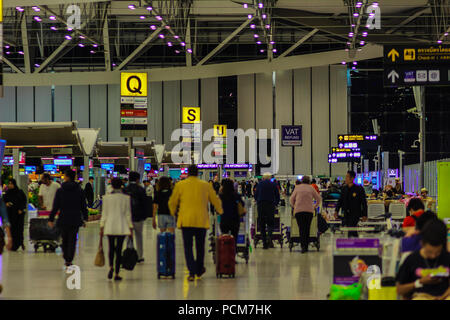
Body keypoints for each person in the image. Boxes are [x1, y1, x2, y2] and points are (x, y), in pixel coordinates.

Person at [168, 164, 223, 281]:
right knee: (200, 246)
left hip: (186, 221)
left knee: (188, 247)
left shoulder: (180, 185)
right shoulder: (205, 185)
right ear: (198, 173)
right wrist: (220, 211)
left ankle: (191, 272)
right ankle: (199, 269)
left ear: (187, 173)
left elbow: (172, 202)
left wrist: (173, 213)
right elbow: (215, 200)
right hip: (201, 221)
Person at [396, 219, 450, 300]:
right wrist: (419, 282)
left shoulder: (447, 257)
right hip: (421, 296)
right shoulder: (412, 259)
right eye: (429, 252)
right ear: (422, 243)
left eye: (438, 252)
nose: (433, 256)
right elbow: (399, 289)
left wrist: (442, 297)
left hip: (444, 296)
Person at [48, 169, 88, 268]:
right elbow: (83, 206)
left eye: (64, 175)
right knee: (72, 239)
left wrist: (51, 218)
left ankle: (66, 257)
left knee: (65, 239)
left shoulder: (60, 190)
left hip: (63, 218)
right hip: (75, 218)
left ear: (67, 177)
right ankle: (69, 258)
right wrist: (85, 218)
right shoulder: (79, 190)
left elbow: (56, 206)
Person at [100, 178, 133, 281]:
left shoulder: (106, 198)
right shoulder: (126, 198)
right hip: (121, 226)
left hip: (110, 226)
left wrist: (102, 227)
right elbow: (128, 214)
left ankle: (110, 267)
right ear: (121, 185)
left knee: (111, 248)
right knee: (119, 250)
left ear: (112, 186)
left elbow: (104, 214)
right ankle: (117, 273)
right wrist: (130, 228)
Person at [290, 175, 322, 253]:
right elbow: (319, 198)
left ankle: (303, 247)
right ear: (309, 181)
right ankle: (306, 246)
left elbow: (291, 199)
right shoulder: (311, 188)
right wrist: (314, 206)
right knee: (307, 228)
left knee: (301, 228)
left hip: (299, 211)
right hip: (309, 211)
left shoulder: (297, 188)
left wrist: (294, 206)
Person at [122, 171, 149, 264]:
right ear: (138, 179)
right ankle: (140, 256)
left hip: (127, 218)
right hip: (138, 217)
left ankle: (129, 254)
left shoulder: (125, 189)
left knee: (129, 237)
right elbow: (145, 204)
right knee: (139, 236)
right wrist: (144, 215)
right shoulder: (140, 189)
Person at [335, 171, 368, 237]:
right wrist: (336, 210)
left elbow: (363, 202)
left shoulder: (359, 189)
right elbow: (340, 200)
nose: (345, 178)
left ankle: (351, 244)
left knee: (351, 229)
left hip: (355, 213)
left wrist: (365, 214)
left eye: (347, 176)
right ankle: (356, 243)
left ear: (352, 178)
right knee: (352, 230)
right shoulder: (344, 188)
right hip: (346, 213)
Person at [219, 179, 244, 253]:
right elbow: (242, 204)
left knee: (224, 238)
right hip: (235, 221)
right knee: (234, 239)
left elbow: (216, 207)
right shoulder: (236, 195)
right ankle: (232, 256)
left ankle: (225, 256)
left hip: (224, 220)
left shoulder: (221, 196)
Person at [255, 172, 280, 249]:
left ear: (263, 178)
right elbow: (277, 195)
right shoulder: (273, 184)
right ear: (270, 178)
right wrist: (276, 203)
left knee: (262, 223)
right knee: (270, 222)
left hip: (261, 204)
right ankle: (269, 236)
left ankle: (264, 243)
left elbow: (256, 194)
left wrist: (258, 201)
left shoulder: (259, 184)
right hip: (270, 205)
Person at [2, 179, 27, 251]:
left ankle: (20, 243)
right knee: (12, 230)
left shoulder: (20, 192)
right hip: (10, 214)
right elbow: (3, 202)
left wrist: (21, 209)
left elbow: (23, 201)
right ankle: (13, 245)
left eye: (11, 184)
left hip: (19, 215)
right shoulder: (7, 193)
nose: (10, 185)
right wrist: (6, 204)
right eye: (9, 184)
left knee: (19, 230)